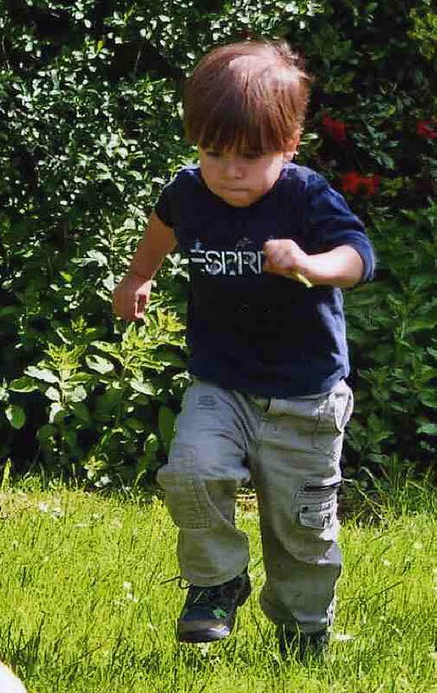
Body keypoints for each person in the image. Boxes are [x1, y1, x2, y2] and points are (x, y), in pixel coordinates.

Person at [112, 40, 376, 657]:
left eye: (250, 156)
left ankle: (303, 627)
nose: (229, 170)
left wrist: (310, 262)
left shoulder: (305, 197)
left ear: (290, 144)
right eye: (212, 152)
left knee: (302, 532)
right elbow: (164, 224)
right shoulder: (190, 190)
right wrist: (138, 276)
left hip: (304, 399)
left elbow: (359, 257)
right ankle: (215, 582)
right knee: (191, 473)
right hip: (220, 383)